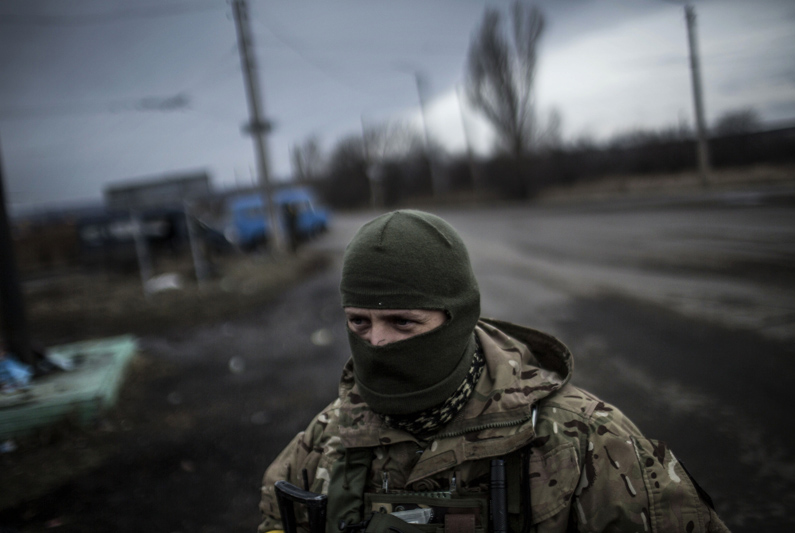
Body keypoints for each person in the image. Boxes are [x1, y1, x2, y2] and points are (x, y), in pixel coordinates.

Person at [258, 210, 729, 533]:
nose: (376, 342)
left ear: (457, 318)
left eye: (403, 322)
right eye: (359, 322)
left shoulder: (583, 439)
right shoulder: (328, 440)